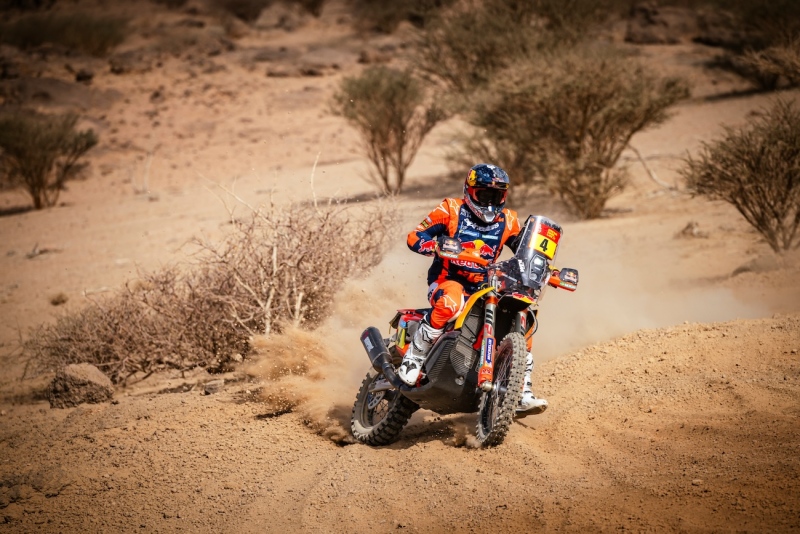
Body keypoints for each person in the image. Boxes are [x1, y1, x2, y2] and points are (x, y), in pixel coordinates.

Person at [400, 163, 548, 414]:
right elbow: (415, 237)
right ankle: (413, 357)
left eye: (496, 195)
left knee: (525, 323)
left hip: (487, 285)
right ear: (470, 191)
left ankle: (521, 389)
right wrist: (436, 247)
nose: (490, 202)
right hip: (448, 281)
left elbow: (525, 253)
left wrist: (544, 269)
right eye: (484, 194)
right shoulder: (450, 209)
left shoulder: (509, 220)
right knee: (451, 304)